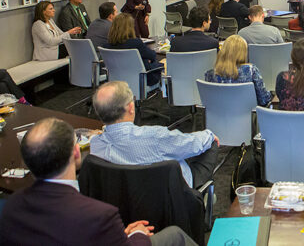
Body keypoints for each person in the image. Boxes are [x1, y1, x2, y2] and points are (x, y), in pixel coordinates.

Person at [0, 117, 196, 246]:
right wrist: (136, 235)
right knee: (175, 235)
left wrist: (118, 235)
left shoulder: (11, 207)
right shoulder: (98, 215)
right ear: (77, 153)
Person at [90, 81, 219, 190]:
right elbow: (192, 145)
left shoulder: (95, 146)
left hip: (129, 198)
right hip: (173, 193)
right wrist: (209, 135)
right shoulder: (154, 137)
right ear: (130, 107)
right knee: (209, 143)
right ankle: (201, 199)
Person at [204, 35, 272, 106]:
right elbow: (264, 100)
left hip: (217, 115)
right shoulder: (251, 70)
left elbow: (208, 102)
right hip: (246, 114)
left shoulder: (210, 74)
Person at [104, 13, 163, 85]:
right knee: (162, 63)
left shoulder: (107, 46)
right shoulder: (135, 43)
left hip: (117, 79)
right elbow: (152, 55)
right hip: (142, 78)